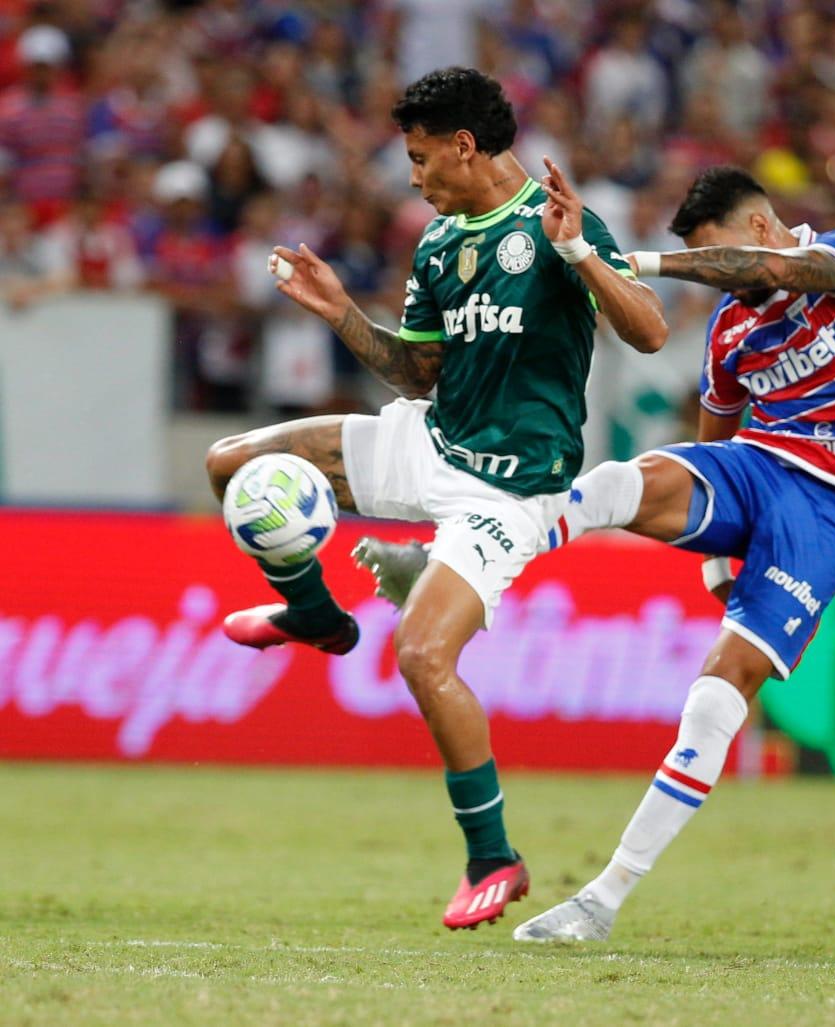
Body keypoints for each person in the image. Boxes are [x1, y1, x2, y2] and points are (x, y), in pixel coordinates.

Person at [205, 67, 667, 931]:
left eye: (421, 159)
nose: (412, 177)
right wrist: (341, 311)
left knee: (422, 656)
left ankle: (495, 856)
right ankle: (317, 615)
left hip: (513, 487)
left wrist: (577, 252)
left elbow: (649, 331)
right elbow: (417, 370)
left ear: (464, 145)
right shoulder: (437, 242)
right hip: (430, 439)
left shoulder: (556, 221)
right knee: (230, 463)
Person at [512, 165, 835, 940]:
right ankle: (469, 562)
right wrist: (714, 552)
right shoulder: (732, 328)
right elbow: (716, 426)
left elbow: (761, 270)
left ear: (760, 225)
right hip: (762, 466)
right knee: (620, 482)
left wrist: (636, 262)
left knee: (716, 694)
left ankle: (603, 897)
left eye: (715, 254)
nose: (718, 279)